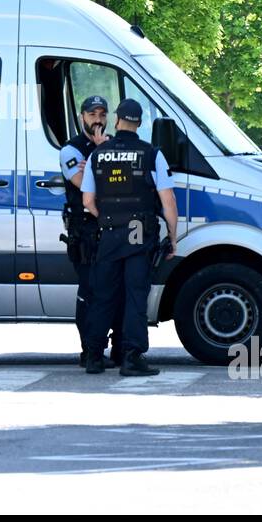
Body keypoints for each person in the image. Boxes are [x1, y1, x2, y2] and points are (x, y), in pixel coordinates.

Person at [80, 99, 178, 377]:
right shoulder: (151, 154)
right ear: (139, 123)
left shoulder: (99, 154)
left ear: (117, 120)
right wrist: (172, 236)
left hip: (109, 233)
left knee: (103, 297)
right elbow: (167, 200)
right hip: (139, 233)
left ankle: (94, 357)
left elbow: (88, 200)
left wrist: (106, 217)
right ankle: (131, 357)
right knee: (136, 296)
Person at [59, 95, 118, 368]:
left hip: (107, 226)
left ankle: (108, 347)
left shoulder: (112, 144)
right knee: (90, 291)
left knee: (110, 290)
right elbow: (84, 184)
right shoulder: (71, 150)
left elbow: (121, 180)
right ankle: (88, 350)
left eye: (102, 114)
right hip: (84, 229)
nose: (98, 119)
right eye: (92, 114)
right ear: (82, 117)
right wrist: (98, 154)